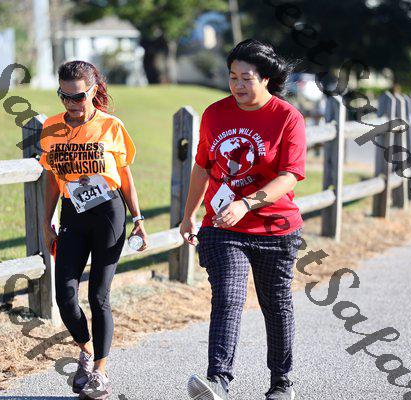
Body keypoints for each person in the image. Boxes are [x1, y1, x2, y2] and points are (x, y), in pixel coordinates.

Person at [180, 39, 306, 400]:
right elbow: (203, 166)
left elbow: (290, 176)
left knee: (276, 304)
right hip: (222, 225)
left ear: (265, 79)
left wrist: (247, 204)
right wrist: (188, 215)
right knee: (228, 295)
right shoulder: (215, 114)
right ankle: (218, 381)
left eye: (246, 78)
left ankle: (281, 382)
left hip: (275, 227)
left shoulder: (287, 117)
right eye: (232, 77)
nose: (237, 85)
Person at [39, 60, 149, 399]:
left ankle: (100, 372)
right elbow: (51, 179)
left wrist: (138, 219)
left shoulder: (111, 126)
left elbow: (125, 176)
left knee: (98, 296)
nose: (71, 103)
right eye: (64, 96)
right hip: (72, 214)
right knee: (64, 296)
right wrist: (46, 222)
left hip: (108, 214)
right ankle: (86, 352)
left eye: (78, 96)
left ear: (93, 91)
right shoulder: (51, 128)